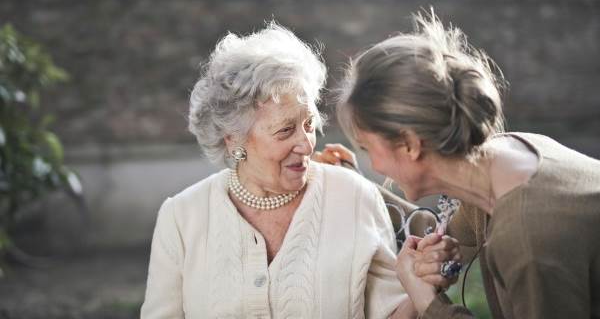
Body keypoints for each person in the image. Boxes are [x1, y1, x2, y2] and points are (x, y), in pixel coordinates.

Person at [140, 23, 459, 319]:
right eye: (285, 131)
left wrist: (422, 284)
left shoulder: (353, 196)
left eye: (308, 125)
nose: (306, 144)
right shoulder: (182, 217)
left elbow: (389, 314)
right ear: (234, 138)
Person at [334, 11, 600, 319]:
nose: (375, 165)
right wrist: (349, 183)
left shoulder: (528, 241)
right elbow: (446, 234)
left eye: (368, 148)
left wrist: (428, 302)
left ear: (409, 144)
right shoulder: (505, 158)